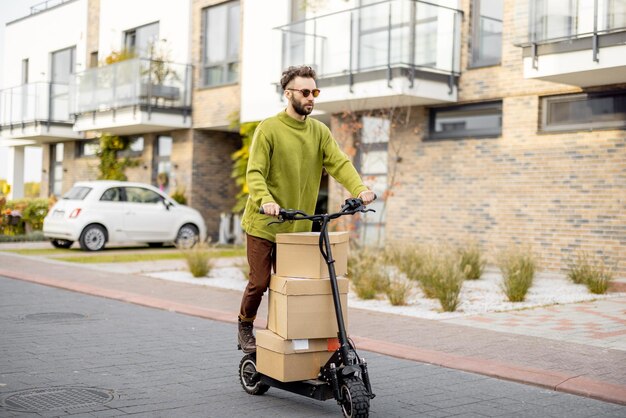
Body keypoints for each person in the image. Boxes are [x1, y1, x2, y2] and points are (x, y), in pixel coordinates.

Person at [237, 65, 376, 353]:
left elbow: (339, 162)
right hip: (264, 224)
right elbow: (255, 173)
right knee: (260, 282)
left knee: (293, 285)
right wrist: (266, 200)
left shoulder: (319, 131)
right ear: (288, 94)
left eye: (314, 91)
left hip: (297, 228)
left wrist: (360, 190)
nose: (311, 97)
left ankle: (283, 333)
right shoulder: (269, 129)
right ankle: (245, 324)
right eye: (304, 92)